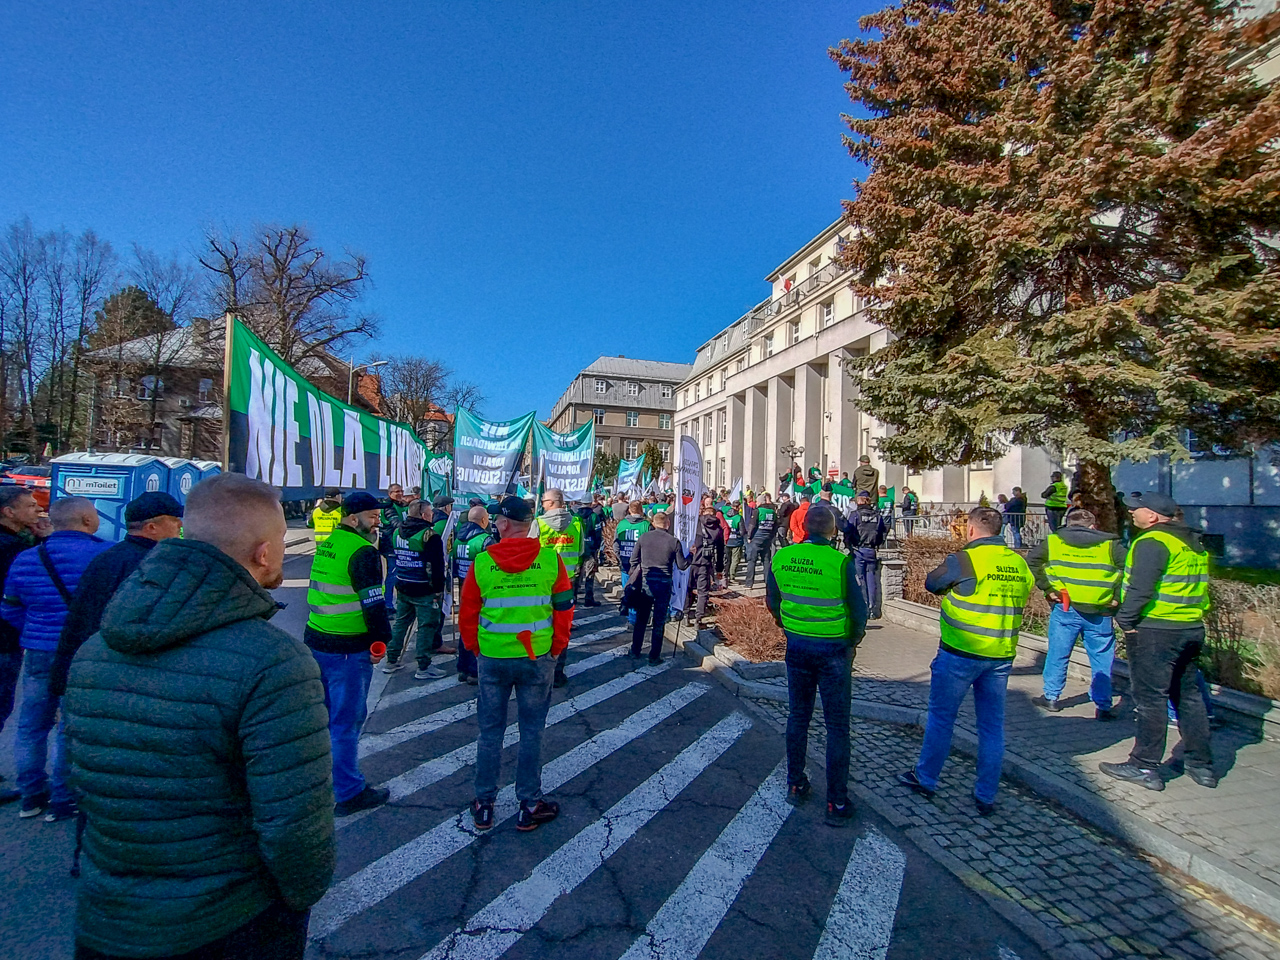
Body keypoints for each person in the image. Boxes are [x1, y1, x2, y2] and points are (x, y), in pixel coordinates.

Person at [63, 473, 333, 960]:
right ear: (265, 554)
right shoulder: (274, 661)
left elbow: (88, 784)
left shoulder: (95, 651)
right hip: (230, 922)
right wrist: (297, 900)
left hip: (107, 918)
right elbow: (294, 822)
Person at [898, 507, 1034, 815]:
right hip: (1000, 656)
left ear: (971, 530)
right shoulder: (1018, 563)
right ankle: (986, 795)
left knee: (942, 719)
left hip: (959, 653)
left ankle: (926, 777)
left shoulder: (964, 561)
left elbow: (932, 584)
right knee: (991, 727)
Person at [459, 495, 572, 832]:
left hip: (493, 658)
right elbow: (564, 610)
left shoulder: (482, 562)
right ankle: (530, 803)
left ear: (506, 525)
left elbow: (468, 614)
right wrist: (557, 649)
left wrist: (475, 649)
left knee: (490, 733)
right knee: (532, 731)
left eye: (497, 520)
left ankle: (484, 803)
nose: (493, 524)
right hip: (536, 659)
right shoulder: (551, 561)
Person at [1100, 492, 1215, 791]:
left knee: (1151, 699)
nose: (1132, 513)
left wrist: (1125, 621)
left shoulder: (1153, 542)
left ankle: (1144, 766)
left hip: (1156, 630)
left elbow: (1141, 588)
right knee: (1188, 697)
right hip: (1189, 627)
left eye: (1137, 510)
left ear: (1152, 516)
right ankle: (1200, 765)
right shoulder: (1191, 543)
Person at [5, 496, 109, 821]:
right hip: (82, 651)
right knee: (70, 725)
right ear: (87, 521)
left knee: (32, 724)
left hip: (38, 650)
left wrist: (33, 630)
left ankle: (30, 795)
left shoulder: (26, 558)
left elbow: (9, 607)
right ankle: (64, 799)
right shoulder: (102, 555)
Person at [767, 504, 867, 826]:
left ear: (804, 528)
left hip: (797, 646)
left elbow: (772, 601)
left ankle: (795, 784)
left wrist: (789, 627)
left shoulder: (782, 557)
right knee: (837, 725)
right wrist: (852, 641)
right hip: (834, 651)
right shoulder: (840, 562)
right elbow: (859, 612)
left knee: (798, 716)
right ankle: (836, 802)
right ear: (832, 531)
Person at [304, 491, 391, 817]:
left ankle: (322, 780)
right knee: (345, 723)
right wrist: (380, 641)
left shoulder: (329, 543)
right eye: (372, 516)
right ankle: (349, 792)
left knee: (326, 719)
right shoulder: (362, 552)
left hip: (319, 640)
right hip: (346, 649)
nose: (377, 521)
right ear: (353, 519)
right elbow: (373, 603)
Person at [50, 492, 185, 699]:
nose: (180, 527)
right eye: (175, 521)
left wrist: (63, 677)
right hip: (129, 669)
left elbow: (78, 619)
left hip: (90, 664)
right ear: (152, 527)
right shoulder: (157, 563)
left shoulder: (106, 558)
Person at [1027, 508, 1124, 718]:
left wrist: (1048, 588)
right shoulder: (1110, 545)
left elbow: (1032, 560)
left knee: (1058, 653)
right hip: (1101, 609)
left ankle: (1051, 697)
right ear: (1093, 526)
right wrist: (1118, 596)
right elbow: (1130, 570)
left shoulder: (1054, 542)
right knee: (1101, 658)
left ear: (1068, 523)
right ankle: (1103, 706)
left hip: (1065, 606)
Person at [0, 487, 44, 805]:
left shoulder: (15, 543)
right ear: (8, 512)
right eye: (29, 507)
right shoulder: (10, 548)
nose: (37, 510)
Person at [383, 498, 448, 680]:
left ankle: (392, 660)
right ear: (423, 515)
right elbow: (436, 567)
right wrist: (438, 589)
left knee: (401, 623)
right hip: (424, 590)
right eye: (430, 513)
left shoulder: (397, 532)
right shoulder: (430, 536)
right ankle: (423, 666)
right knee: (426, 626)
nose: (432, 515)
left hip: (403, 585)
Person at [626, 510, 690, 662]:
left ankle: (635, 650)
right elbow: (682, 565)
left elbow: (633, 560)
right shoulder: (673, 541)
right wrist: (691, 555)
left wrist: (634, 575)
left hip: (646, 582)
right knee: (659, 621)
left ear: (653, 524)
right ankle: (654, 656)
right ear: (667, 524)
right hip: (664, 583)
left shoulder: (644, 538)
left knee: (642, 619)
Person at [536, 488, 585, 687]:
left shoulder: (538, 523)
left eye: (545, 501)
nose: (542, 504)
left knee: (542, 623)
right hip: (567, 581)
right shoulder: (576, 523)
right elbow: (581, 550)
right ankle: (558, 671)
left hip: (543, 581)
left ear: (553, 502)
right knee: (562, 625)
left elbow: (530, 550)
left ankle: (542, 668)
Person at [451, 504, 496, 684]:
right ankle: (473, 670)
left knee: (466, 627)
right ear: (484, 521)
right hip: (481, 590)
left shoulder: (458, 539)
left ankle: (462, 667)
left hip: (463, 587)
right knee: (479, 629)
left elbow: (453, 565)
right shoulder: (486, 540)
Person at [848, 491, 888, 619]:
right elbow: (883, 531)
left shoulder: (855, 515)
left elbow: (849, 531)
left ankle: (863, 607)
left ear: (859, 501)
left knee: (860, 579)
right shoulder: (877, 515)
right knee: (871, 580)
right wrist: (877, 544)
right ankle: (872, 608)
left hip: (858, 550)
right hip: (872, 550)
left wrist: (849, 545)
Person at [688, 506, 724, 629]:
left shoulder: (695, 523)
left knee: (688, 589)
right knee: (703, 592)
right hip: (705, 563)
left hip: (690, 561)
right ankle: (698, 619)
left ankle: (685, 615)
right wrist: (719, 569)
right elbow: (720, 551)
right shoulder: (718, 529)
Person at [379, 483, 408, 614]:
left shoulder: (401, 505)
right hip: (390, 545)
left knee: (398, 574)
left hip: (398, 544)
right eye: (397, 491)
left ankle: (395, 602)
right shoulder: (388, 506)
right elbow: (396, 524)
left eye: (401, 491)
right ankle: (388, 604)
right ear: (390, 494)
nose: (400, 493)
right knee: (392, 575)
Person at [743, 493, 778, 589]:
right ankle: (768, 583)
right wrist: (771, 537)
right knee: (766, 561)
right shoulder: (772, 512)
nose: (756, 503)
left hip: (756, 538)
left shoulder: (757, 511)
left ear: (760, 502)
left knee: (752, 561)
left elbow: (752, 525)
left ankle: (749, 583)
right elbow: (775, 526)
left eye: (757, 501)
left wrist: (749, 537)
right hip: (767, 539)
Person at [574, 500, 603, 607]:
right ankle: (588, 598)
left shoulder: (575, 516)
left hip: (577, 550)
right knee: (589, 575)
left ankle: (573, 597)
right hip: (591, 549)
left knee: (576, 574)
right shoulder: (594, 516)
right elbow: (598, 533)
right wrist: (597, 548)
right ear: (590, 504)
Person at [614, 501, 651, 578]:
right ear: (641, 510)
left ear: (629, 510)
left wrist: (619, 557)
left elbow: (616, 544)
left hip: (625, 560)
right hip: (641, 563)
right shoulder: (647, 525)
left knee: (626, 587)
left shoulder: (621, 524)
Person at [723, 500, 745, 584]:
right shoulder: (739, 517)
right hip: (736, 541)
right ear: (738, 507)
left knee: (726, 559)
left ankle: (725, 576)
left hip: (726, 540)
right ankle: (732, 577)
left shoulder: (724, 516)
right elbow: (742, 532)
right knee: (735, 559)